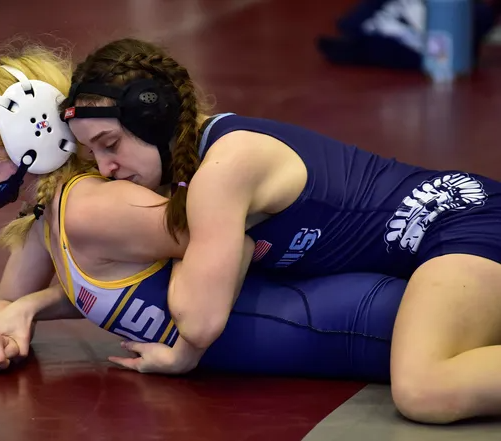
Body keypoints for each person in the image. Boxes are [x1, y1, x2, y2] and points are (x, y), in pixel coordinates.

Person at [59, 37, 501, 424]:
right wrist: (26, 308)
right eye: (93, 153)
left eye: (110, 144)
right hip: (449, 233)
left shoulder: (224, 170)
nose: (105, 168)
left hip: (460, 221)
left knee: (423, 388)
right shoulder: (203, 171)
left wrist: (184, 349)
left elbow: (200, 319)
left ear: (152, 118)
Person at [0, 43, 406, 383]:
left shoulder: (90, 208)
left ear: (36, 130)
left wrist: (189, 350)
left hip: (353, 323)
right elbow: (6, 306)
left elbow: (231, 238)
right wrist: (18, 316)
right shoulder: (52, 217)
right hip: (331, 334)